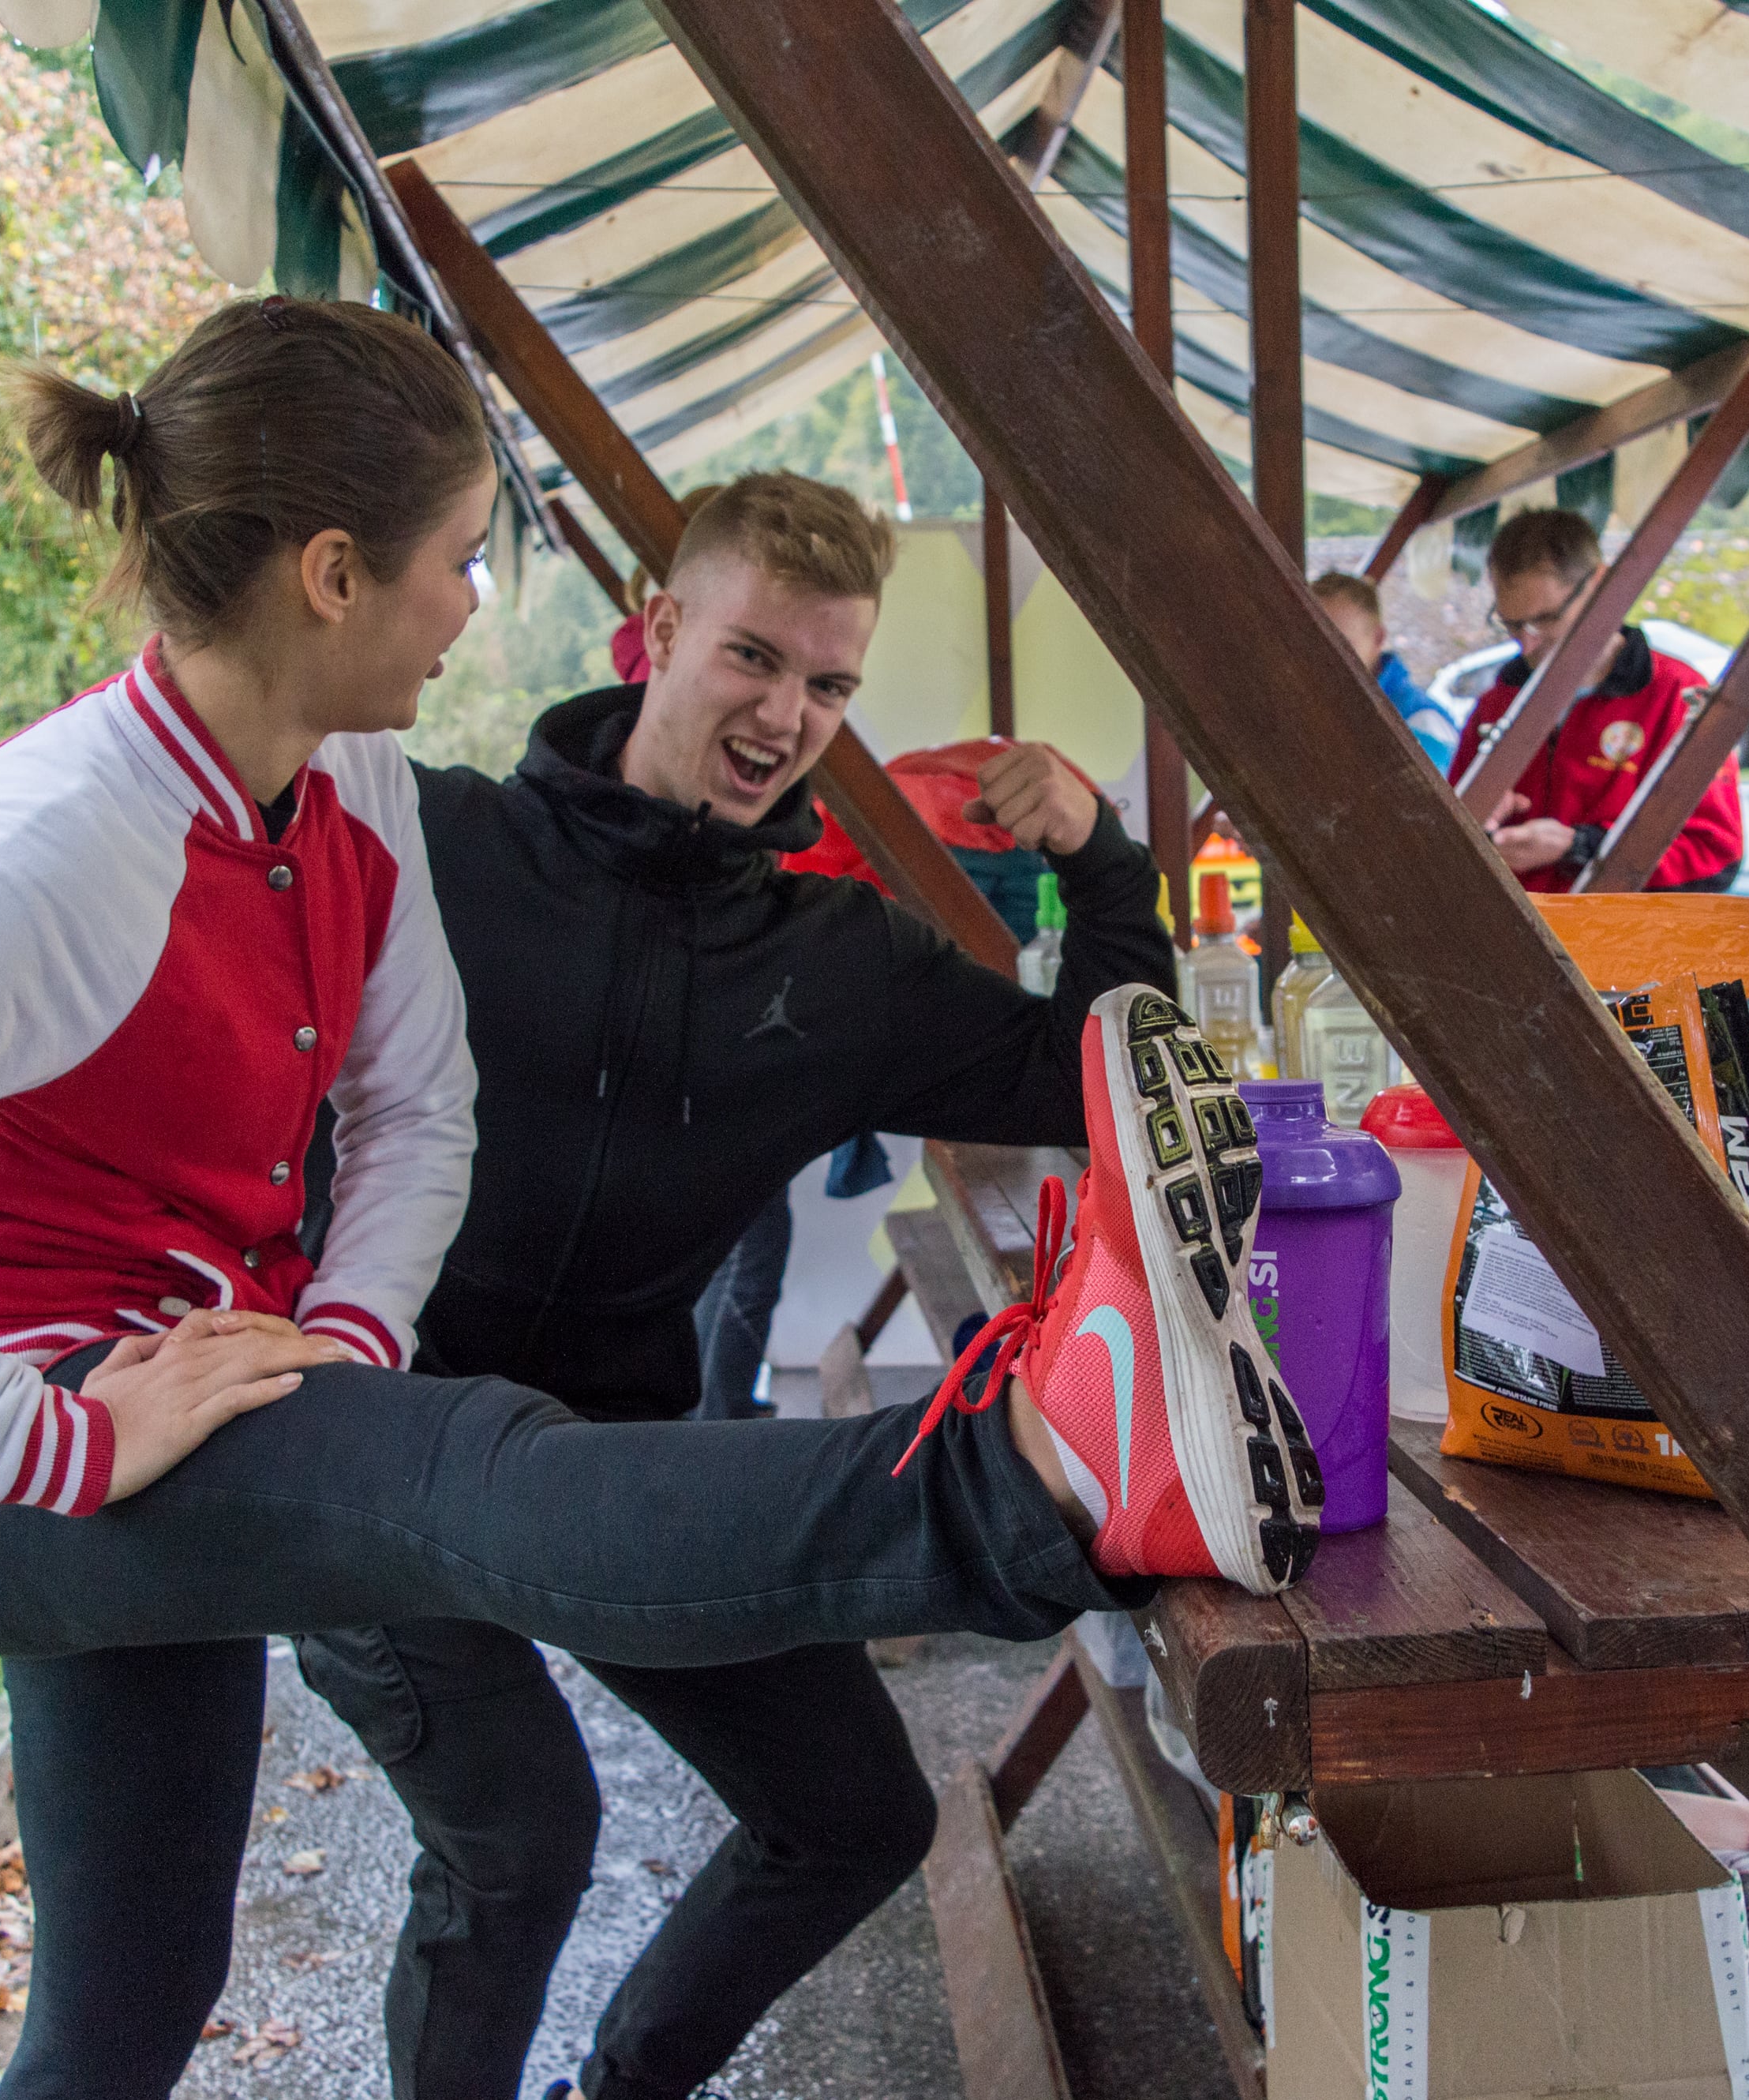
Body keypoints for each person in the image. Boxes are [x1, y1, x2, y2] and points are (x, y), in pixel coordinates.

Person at [0, 299, 1320, 2100]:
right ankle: (1040, 1468)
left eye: (828, 685)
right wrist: (52, 1438)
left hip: (246, 1400)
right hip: (21, 1461)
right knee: (484, 1594)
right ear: (336, 576)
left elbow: (421, 1102)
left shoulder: (349, 778)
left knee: (129, 2010)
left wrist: (343, 1346)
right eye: (461, 561)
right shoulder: (72, 841)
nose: (475, 605)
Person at [331, 472, 1189, 2100]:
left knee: (856, 1814)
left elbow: (1096, 1086)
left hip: (609, 1458)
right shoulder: (441, 843)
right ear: (657, 630)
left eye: (829, 684)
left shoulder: (840, 961)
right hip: (378, 1442)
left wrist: (1098, 862)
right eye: (753, 658)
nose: (786, 715)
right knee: (519, 1843)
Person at [1444, 510, 1743, 894]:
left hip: (1617, 930)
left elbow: (1715, 856)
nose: (1527, 644)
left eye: (1546, 620)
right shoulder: (1499, 701)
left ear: (1601, 585)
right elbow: (1446, 844)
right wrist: (1479, 825)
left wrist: (1579, 847)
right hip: (1507, 925)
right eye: (1512, 624)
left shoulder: (1676, 696)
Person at [1310, 569, 1454, 769]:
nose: (1323, 656)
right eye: (1313, 642)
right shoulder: (1316, 703)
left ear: (1378, 638)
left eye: (1342, 644)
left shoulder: (1421, 722)